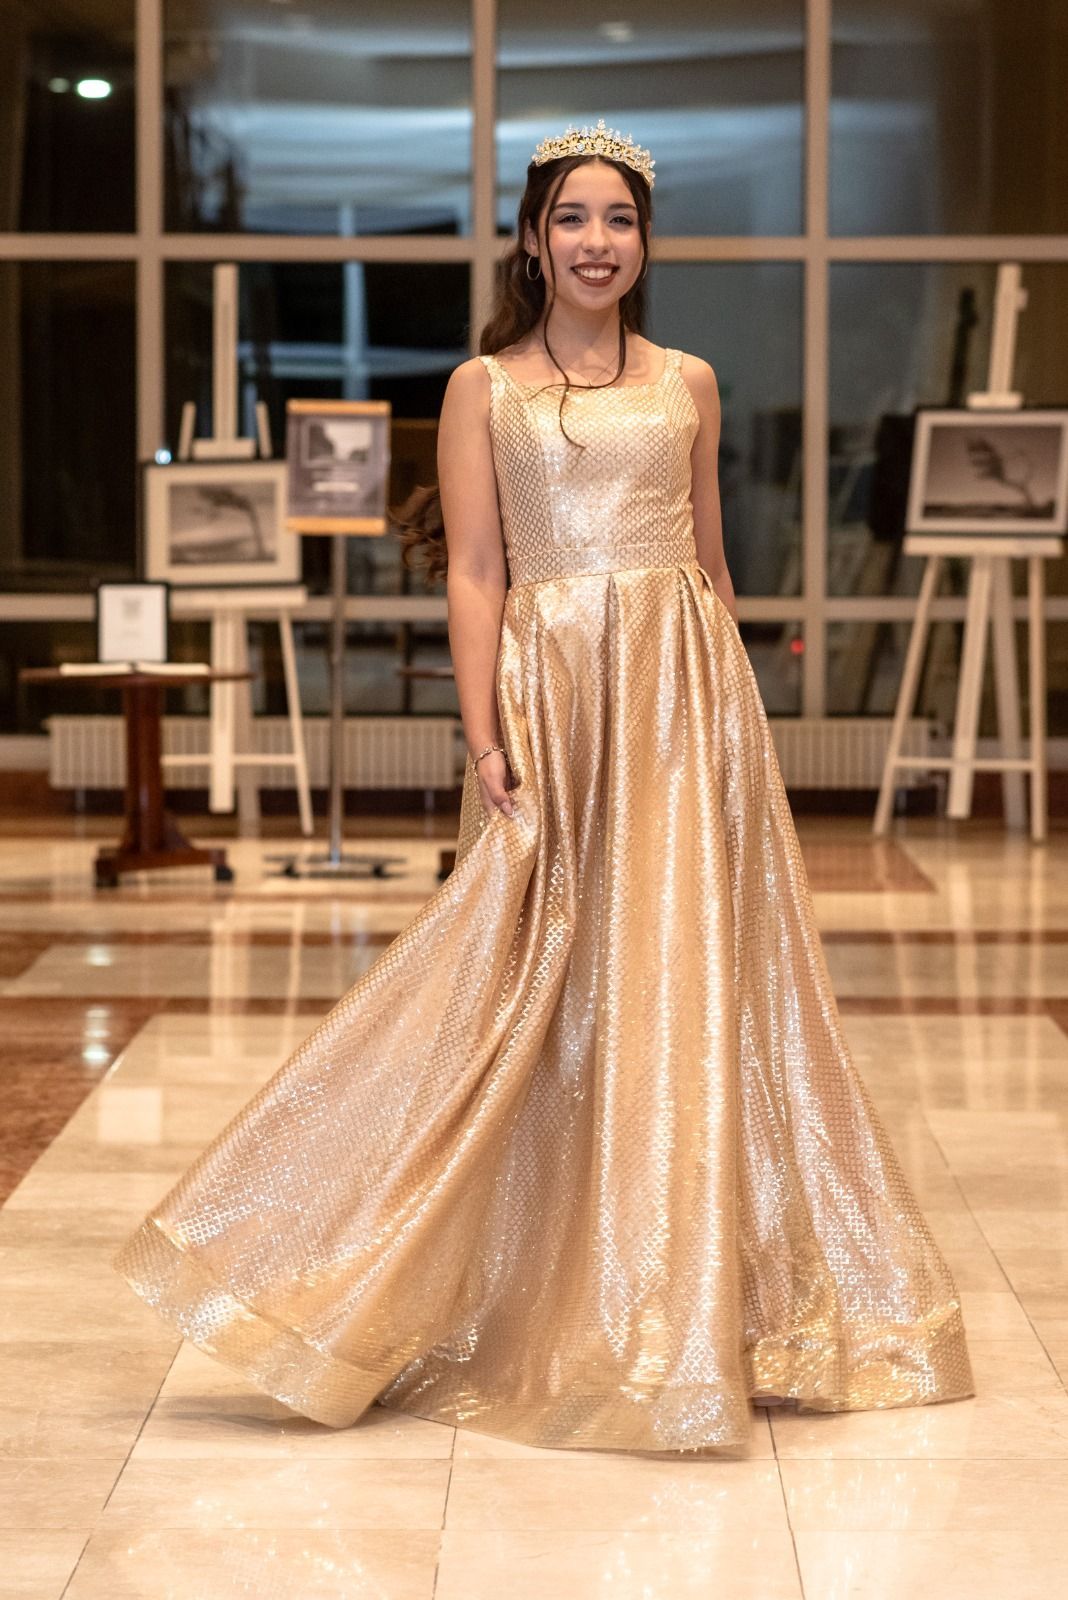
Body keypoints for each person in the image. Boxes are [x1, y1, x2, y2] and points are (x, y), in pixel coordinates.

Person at [114, 120, 975, 1455]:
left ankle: (698, 1307)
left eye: (618, 220)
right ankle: (343, 1257)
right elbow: (475, 570)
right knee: (519, 976)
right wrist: (485, 731)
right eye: (570, 218)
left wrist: (739, 714)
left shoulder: (689, 381)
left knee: (690, 982)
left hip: (688, 701)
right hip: (556, 693)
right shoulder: (484, 389)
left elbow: (710, 563)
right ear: (532, 237)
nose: (594, 242)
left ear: (643, 242)